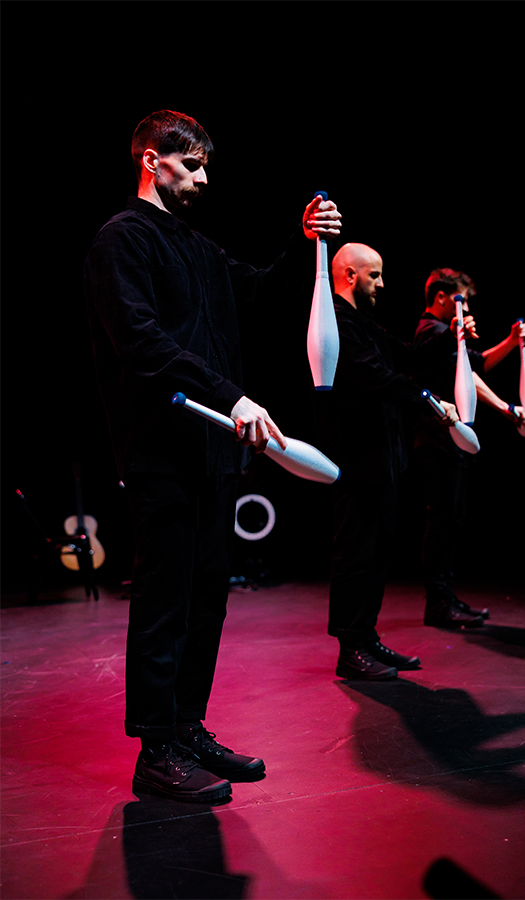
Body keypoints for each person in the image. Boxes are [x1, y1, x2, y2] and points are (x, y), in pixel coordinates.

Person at [84, 109, 342, 803]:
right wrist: (231, 396)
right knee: (167, 598)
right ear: (151, 161)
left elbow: (257, 294)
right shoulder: (122, 240)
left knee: (207, 600)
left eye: (204, 166)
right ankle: (155, 749)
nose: (201, 177)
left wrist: (302, 242)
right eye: (190, 164)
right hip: (160, 450)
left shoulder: (198, 248)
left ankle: (187, 727)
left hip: (215, 450)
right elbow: (141, 343)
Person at [313, 243, 465, 682]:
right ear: (348, 275)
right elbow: (374, 376)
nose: (382, 284)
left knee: (377, 552)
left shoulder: (364, 322)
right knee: (356, 553)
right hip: (355, 457)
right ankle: (350, 648)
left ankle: (366, 636)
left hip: (382, 457)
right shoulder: (335, 321)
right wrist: (431, 403)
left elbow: (407, 357)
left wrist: (453, 335)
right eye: (374, 275)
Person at [413, 267, 525, 628]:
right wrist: (507, 409)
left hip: (449, 439)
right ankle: (437, 605)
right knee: (443, 521)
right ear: (442, 297)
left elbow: (476, 365)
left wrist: (511, 342)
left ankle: (444, 599)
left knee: (451, 520)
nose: (464, 308)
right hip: (437, 440)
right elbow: (468, 379)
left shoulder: (444, 336)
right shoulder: (430, 332)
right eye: (460, 299)